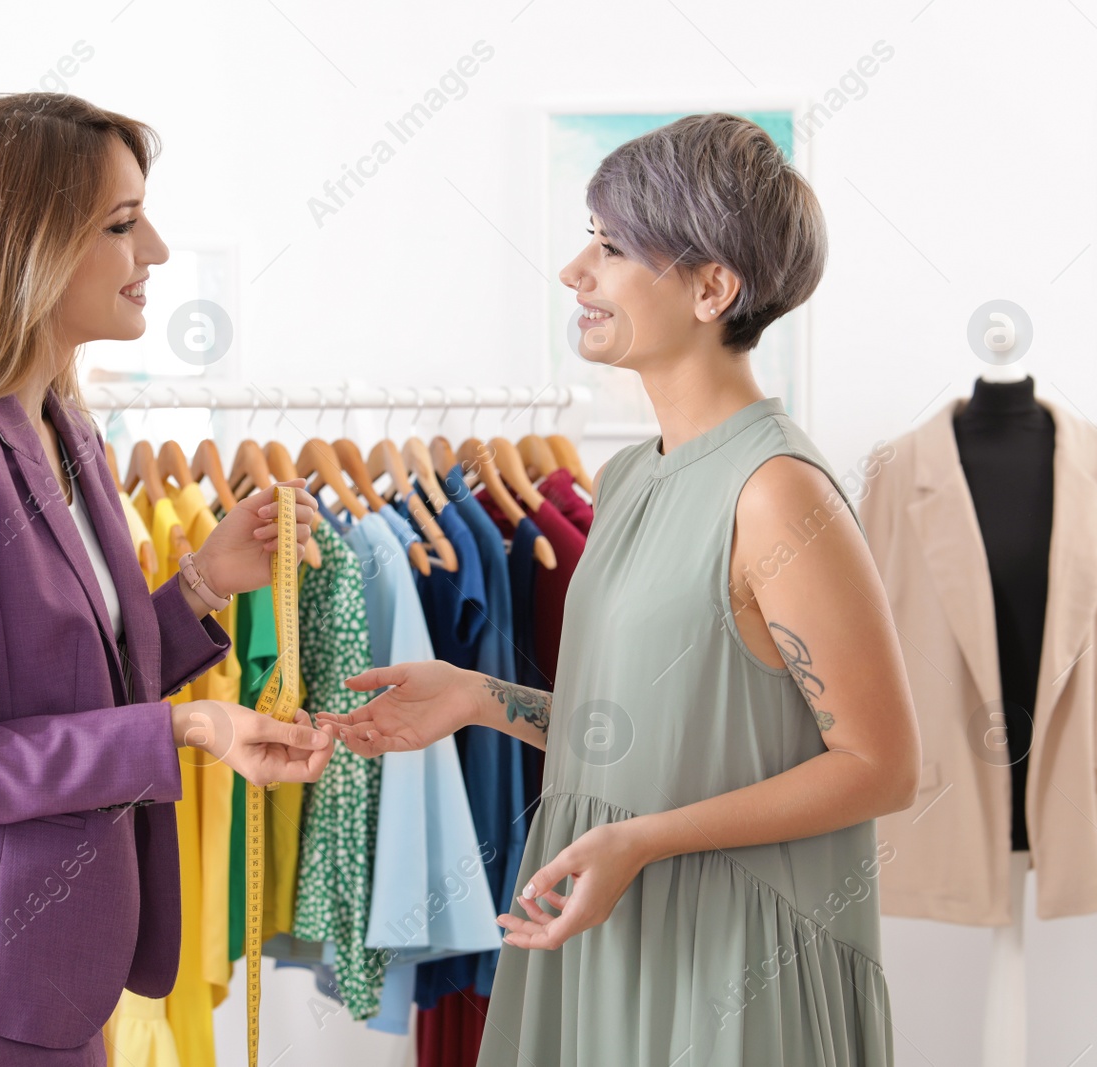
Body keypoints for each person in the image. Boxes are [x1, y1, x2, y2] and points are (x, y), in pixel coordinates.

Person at [328, 113, 920, 1065]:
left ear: (712, 287)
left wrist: (640, 842)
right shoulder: (629, 479)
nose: (575, 271)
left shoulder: (776, 494)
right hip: (610, 922)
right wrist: (482, 698)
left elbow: (882, 765)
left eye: (609, 245)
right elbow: (654, 739)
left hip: (733, 957)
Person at [0, 92, 337, 1065]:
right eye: (123, 224)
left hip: (48, 978)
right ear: (28, 248)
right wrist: (185, 725)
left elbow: (62, 675)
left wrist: (199, 589)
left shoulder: (66, 427)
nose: (158, 253)